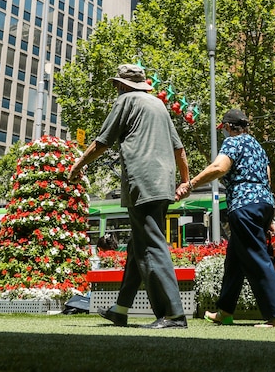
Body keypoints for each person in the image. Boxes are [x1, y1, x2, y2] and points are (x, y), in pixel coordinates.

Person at [69, 63, 190, 329]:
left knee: (153, 247)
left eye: (116, 84)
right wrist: (185, 181)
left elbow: (102, 141)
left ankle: (173, 315)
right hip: (163, 184)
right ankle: (120, 309)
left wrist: (78, 165)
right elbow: (179, 148)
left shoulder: (126, 100)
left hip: (142, 183)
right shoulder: (159, 105)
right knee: (139, 245)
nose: (115, 88)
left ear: (124, 85)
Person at [176, 108, 275, 328]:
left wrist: (191, 184)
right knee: (235, 261)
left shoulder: (233, 142)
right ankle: (225, 312)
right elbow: (267, 174)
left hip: (243, 206)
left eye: (224, 129)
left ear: (229, 127)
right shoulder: (257, 146)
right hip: (264, 203)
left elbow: (219, 167)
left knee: (257, 258)